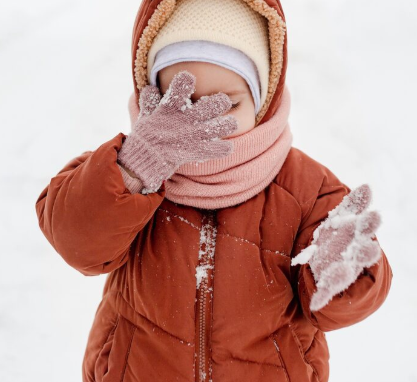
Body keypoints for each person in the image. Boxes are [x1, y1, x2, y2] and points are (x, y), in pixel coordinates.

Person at [35, 0, 393, 381]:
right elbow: (77, 240)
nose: (203, 122)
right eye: (182, 102)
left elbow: (337, 307)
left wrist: (344, 269)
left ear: (263, 101)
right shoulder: (123, 173)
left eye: (227, 104)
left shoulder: (307, 190)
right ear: (148, 94)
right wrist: (134, 168)